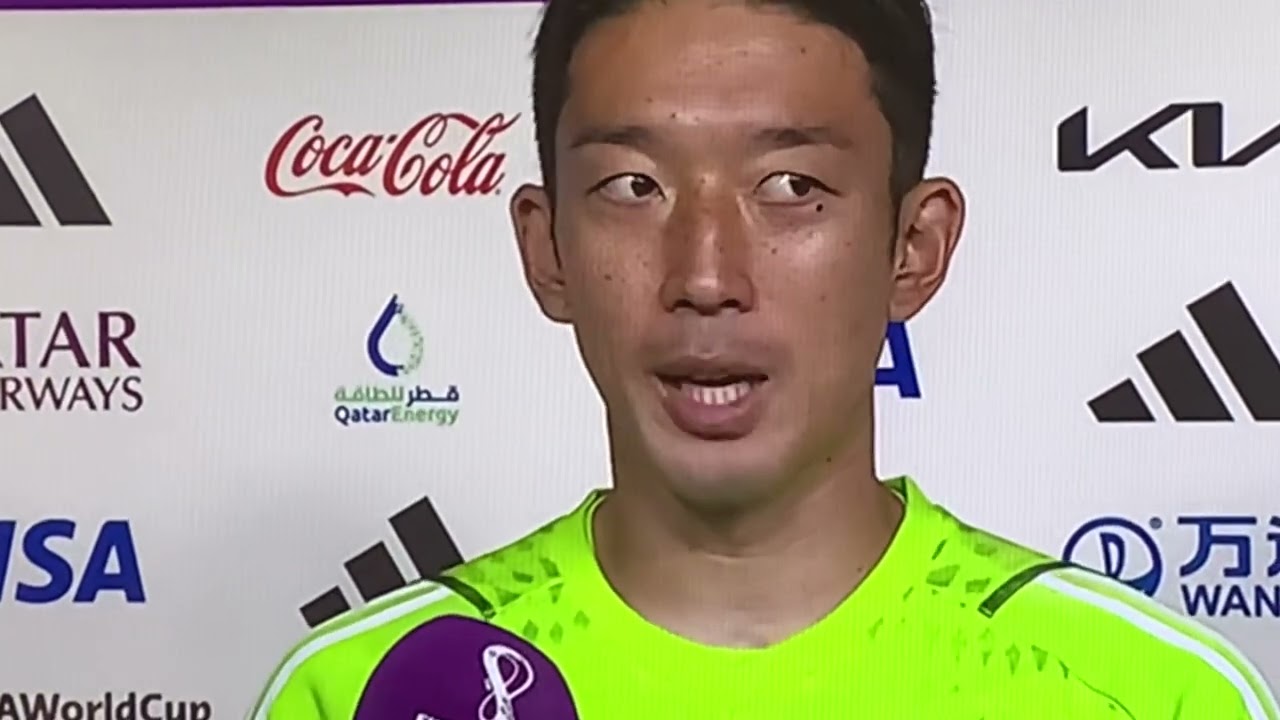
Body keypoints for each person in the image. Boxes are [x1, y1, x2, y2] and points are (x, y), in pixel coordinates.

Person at [250, 1, 1280, 717]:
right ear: (546, 248)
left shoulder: (1146, 694)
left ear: (913, 247)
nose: (706, 274)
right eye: (633, 186)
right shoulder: (360, 692)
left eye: (791, 188)